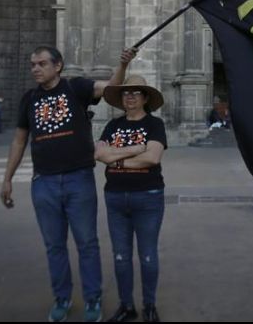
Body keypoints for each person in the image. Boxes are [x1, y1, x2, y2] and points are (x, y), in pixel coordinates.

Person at [0, 45, 137, 323]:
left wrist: (123, 65)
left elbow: (112, 89)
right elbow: (19, 141)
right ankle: (61, 298)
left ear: (58, 65)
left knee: (87, 243)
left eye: (41, 63)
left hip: (78, 179)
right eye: (33, 64)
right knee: (54, 246)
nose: (35, 69)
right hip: (44, 182)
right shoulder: (29, 99)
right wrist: (7, 179)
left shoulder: (76, 88)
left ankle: (92, 298)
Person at [95, 75, 167, 323]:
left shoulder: (155, 124)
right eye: (126, 92)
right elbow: (100, 154)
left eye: (136, 92)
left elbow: (153, 158)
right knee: (120, 257)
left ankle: (149, 305)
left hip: (148, 197)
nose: (130, 96)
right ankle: (127, 306)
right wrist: (137, 149)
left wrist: (116, 158)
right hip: (115, 197)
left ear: (145, 98)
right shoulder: (112, 125)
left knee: (147, 255)